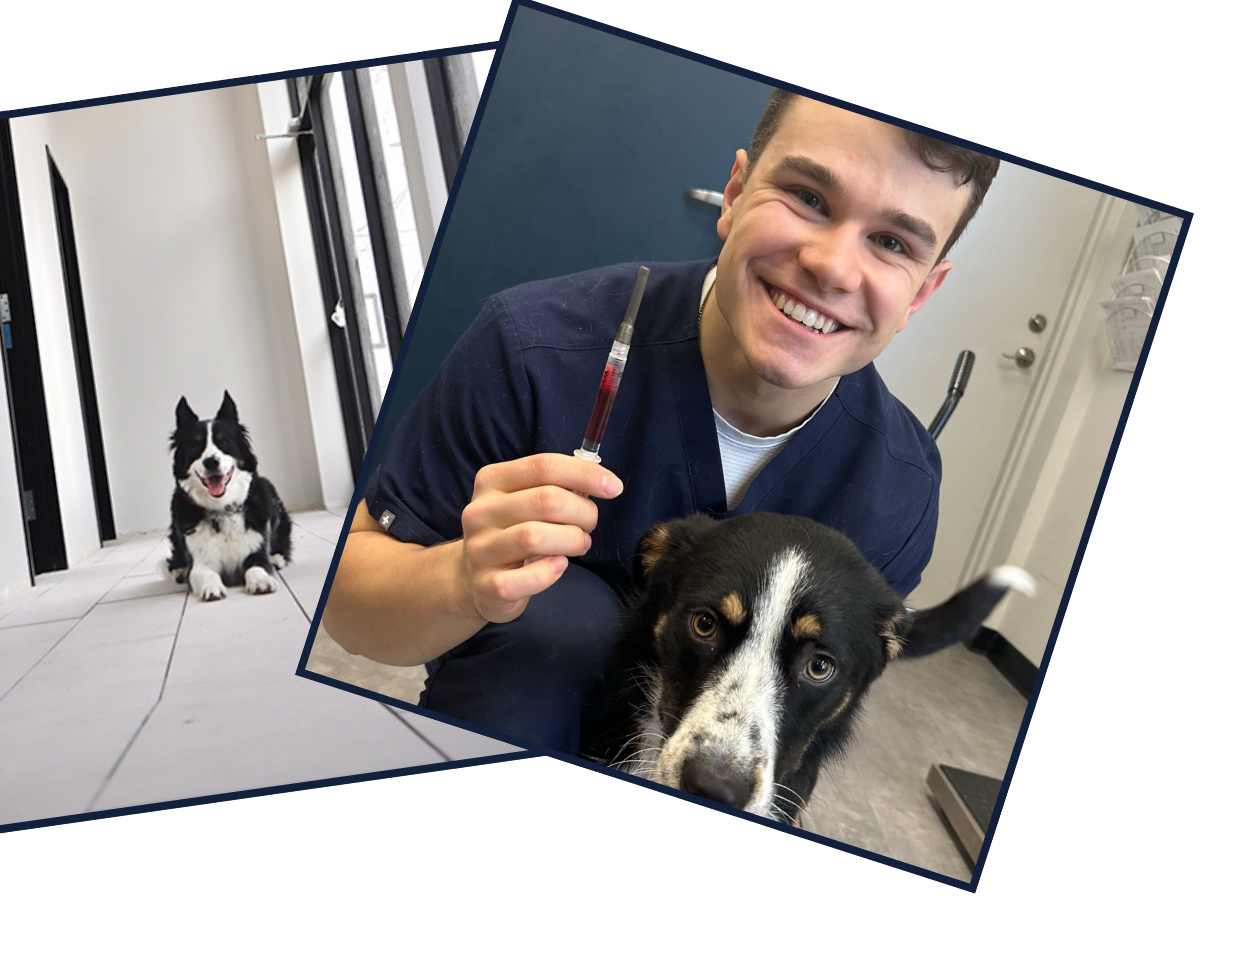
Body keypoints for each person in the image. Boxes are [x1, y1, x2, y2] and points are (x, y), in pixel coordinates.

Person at [322, 89, 1001, 754]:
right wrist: (459, 581)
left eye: (890, 242)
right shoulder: (532, 350)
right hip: (509, 713)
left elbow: (809, 724)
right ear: (734, 194)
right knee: (559, 619)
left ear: (923, 291)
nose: (831, 267)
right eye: (808, 198)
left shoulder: (898, 491)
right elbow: (348, 605)